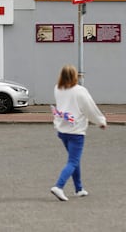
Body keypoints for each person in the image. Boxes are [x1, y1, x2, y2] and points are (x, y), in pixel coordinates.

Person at [50, 64, 106, 202]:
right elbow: (90, 109)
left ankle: (79, 189)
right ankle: (59, 186)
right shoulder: (80, 91)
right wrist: (100, 121)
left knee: (74, 160)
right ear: (75, 76)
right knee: (73, 161)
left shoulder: (58, 88)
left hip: (62, 129)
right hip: (76, 131)